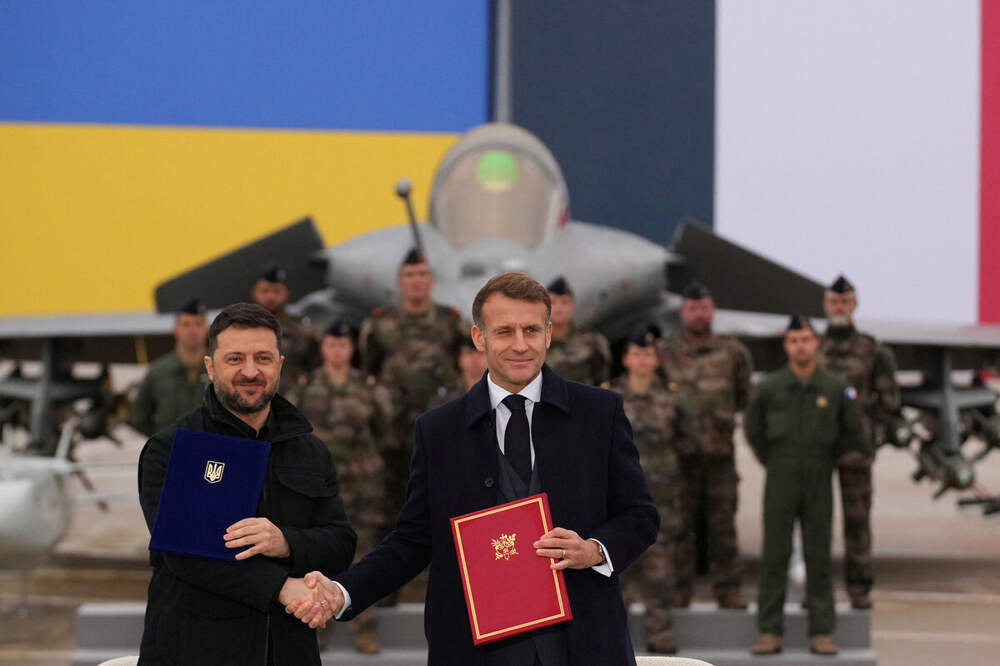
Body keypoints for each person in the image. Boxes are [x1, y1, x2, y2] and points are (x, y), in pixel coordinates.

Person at [288, 272, 659, 665]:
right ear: (479, 338)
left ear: (549, 334)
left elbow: (640, 516)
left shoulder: (600, 413)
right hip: (472, 648)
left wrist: (594, 550)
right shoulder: (438, 430)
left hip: (584, 643)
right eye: (504, 332)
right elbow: (413, 540)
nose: (520, 345)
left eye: (531, 330)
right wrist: (343, 591)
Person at [136, 303, 356, 665]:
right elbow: (184, 554)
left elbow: (340, 542)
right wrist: (281, 587)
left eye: (263, 358)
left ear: (280, 365)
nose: (250, 371)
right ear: (210, 366)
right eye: (235, 359)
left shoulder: (309, 450)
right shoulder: (172, 448)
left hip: (288, 651)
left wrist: (285, 541)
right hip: (195, 651)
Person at [745, 314, 864, 656]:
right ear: (786, 345)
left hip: (819, 476)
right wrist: (775, 461)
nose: (800, 346)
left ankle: (821, 630)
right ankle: (769, 630)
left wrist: (825, 459)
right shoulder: (769, 387)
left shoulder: (834, 387)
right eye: (794, 340)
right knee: (775, 554)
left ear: (817, 343)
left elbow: (851, 432)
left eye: (806, 339)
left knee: (819, 553)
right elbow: (754, 431)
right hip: (780, 477)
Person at [293, 320, 394, 654]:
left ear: (352, 349)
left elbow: (386, 432)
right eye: (331, 344)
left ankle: (364, 628)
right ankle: (316, 626)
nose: (337, 351)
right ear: (323, 348)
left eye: (343, 345)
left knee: (365, 555)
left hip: (363, 486)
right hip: (318, 488)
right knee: (316, 556)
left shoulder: (369, 388)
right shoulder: (305, 387)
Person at [358, 248, 464, 551]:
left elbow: (466, 365)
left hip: (438, 430)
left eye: (421, 274)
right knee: (393, 504)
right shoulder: (380, 324)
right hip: (393, 433)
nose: (416, 281)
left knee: (441, 500)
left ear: (431, 280)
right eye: (409, 275)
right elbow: (368, 371)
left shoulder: (450, 322)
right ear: (399, 282)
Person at [657, 281, 752, 609]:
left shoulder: (732, 353)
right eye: (693, 308)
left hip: (719, 456)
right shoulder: (665, 353)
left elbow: (743, 397)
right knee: (679, 526)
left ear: (712, 311)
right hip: (680, 457)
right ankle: (680, 589)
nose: (699, 314)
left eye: (704, 308)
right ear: (683, 312)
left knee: (722, 524)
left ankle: (728, 589)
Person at [611, 324, 695, 655]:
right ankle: (615, 639)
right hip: (618, 501)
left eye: (648, 354)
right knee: (618, 567)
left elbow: (687, 444)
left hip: (662, 499)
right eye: (636, 354)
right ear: (625, 359)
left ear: (656, 359)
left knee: (660, 569)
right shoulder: (609, 398)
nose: (642, 360)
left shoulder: (672, 398)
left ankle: (659, 633)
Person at [818, 275, 900, 610]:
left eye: (845, 302)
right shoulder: (811, 346)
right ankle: (817, 589)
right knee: (815, 521)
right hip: (818, 449)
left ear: (854, 305)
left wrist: (866, 427)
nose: (839, 307)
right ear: (825, 305)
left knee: (857, 520)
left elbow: (890, 400)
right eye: (834, 302)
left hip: (855, 449)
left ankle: (859, 586)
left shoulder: (872, 349)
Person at [129, 297, 209, 436]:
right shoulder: (158, 372)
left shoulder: (219, 369)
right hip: (170, 447)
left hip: (210, 447)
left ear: (206, 328)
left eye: (198, 324)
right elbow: (139, 418)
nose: (193, 330)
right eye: (186, 324)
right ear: (176, 328)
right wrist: (162, 440)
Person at [250, 262, 320, 396]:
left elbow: (317, 369)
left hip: (291, 400)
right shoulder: (240, 329)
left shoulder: (303, 331)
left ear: (287, 293)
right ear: (254, 292)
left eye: (277, 291)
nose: (271, 297)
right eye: (265, 291)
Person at [544, 276, 612, 386]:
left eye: (564, 302)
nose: (559, 308)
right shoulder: (536, 343)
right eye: (553, 302)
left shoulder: (592, 341)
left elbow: (603, 380)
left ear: (572, 305)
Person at [429, 335, 489, 407]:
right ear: (458, 359)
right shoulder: (445, 397)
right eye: (469, 353)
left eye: (480, 353)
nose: (475, 358)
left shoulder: (499, 393)